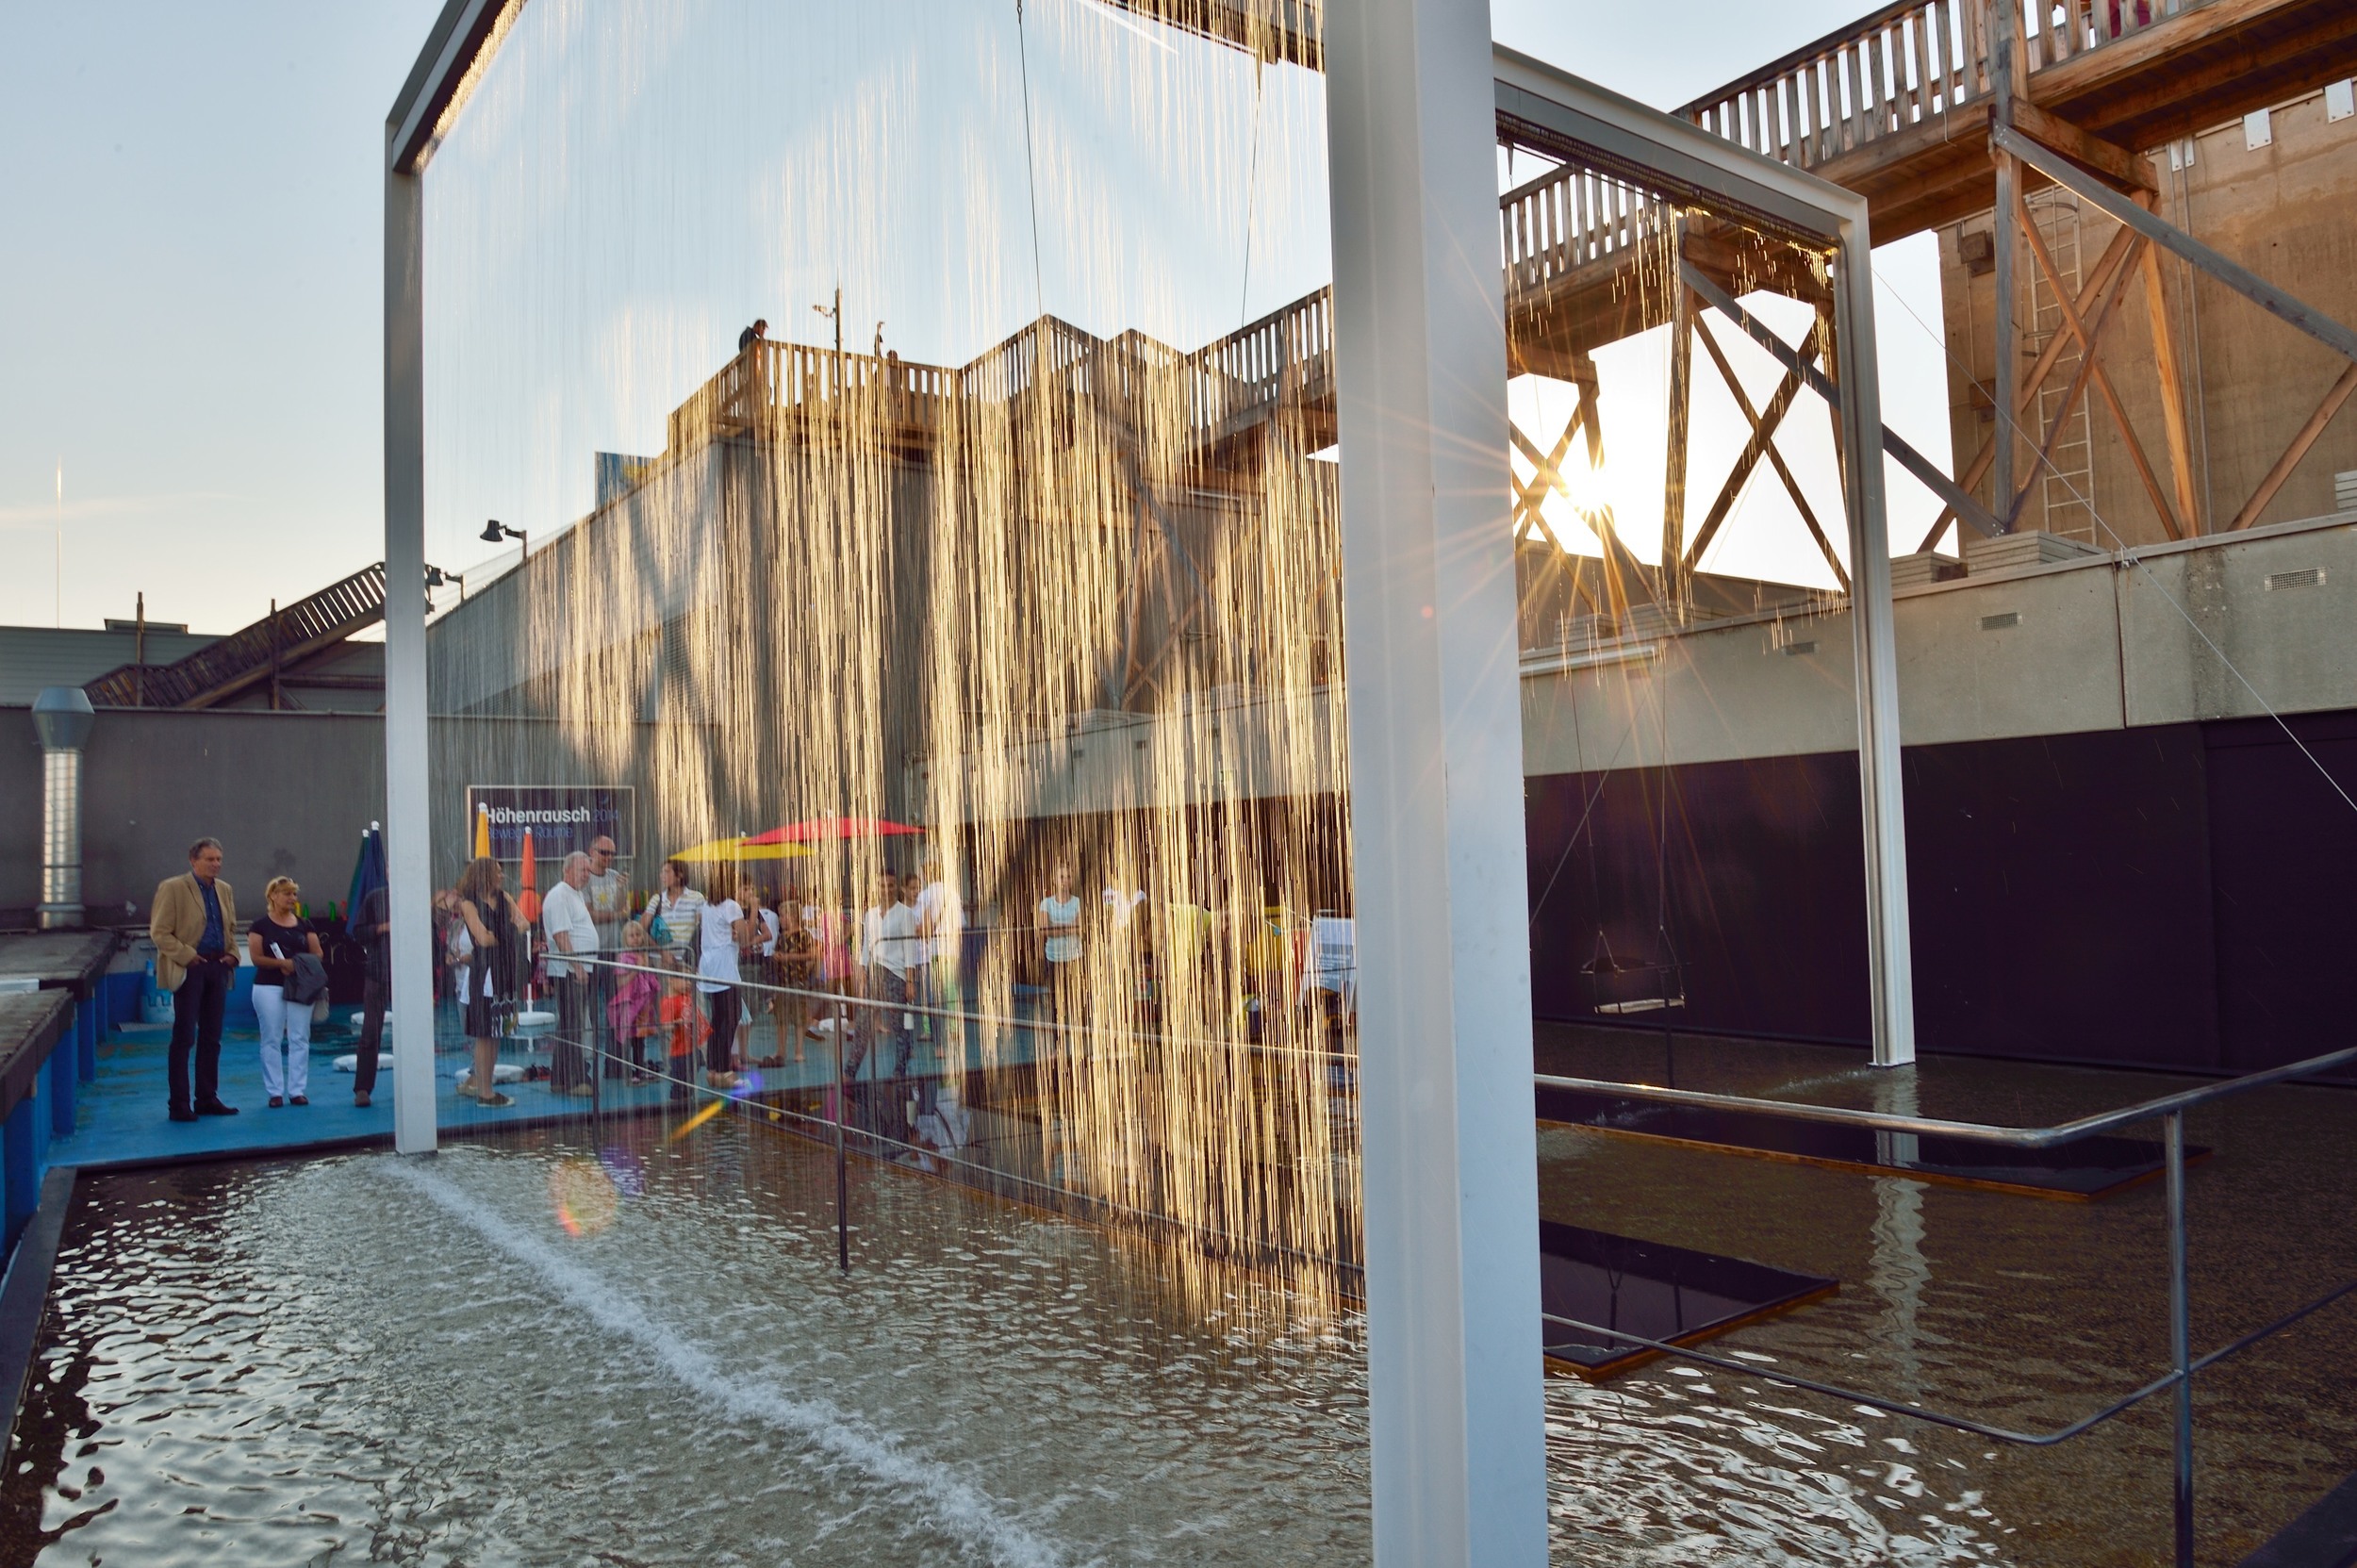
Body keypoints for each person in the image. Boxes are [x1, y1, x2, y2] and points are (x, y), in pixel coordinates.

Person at [150, 838, 240, 1122]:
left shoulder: (224, 890)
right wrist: (187, 955)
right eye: (210, 859)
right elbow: (160, 932)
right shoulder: (173, 888)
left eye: (219, 859)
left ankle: (207, 1098)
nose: (216, 864)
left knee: (212, 1037)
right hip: (190, 968)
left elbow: (231, 927)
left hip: (218, 966)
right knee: (185, 1036)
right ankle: (178, 1104)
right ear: (193, 860)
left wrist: (234, 955)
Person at [849, 868, 922, 1135]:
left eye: (890, 885)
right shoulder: (870, 914)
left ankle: (899, 1069)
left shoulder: (905, 913)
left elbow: (909, 948)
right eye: (882, 885)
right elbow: (867, 945)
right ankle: (851, 1067)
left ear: (896, 888)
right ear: (876, 887)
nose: (886, 889)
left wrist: (911, 980)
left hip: (897, 973)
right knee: (865, 1022)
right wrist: (861, 975)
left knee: (899, 1026)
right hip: (876, 971)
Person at [454, 855, 526, 1109]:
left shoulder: (504, 898)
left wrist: (500, 934)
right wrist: (508, 933)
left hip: (505, 970)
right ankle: (483, 1090)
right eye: (497, 872)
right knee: (484, 1032)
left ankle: (488, 1085)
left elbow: (524, 923)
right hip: (485, 973)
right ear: (484, 875)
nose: (502, 875)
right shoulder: (468, 904)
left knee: (497, 1032)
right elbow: (482, 939)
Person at [248, 876, 321, 1108]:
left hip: (300, 986)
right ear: (273, 896)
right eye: (287, 893)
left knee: (300, 1036)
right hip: (268, 986)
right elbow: (256, 958)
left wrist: (296, 963)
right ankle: (274, 1091)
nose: (292, 898)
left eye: (294, 894)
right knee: (271, 1037)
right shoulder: (260, 925)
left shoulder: (305, 924)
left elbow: (317, 953)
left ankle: (297, 1090)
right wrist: (280, 964)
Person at [540, 850, 599, 1098]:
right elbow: (561, 936)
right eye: (582, 870)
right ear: (567, 869)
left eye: (588, 870)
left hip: (579, 968)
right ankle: (576, 1079)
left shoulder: (575, 894)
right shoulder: (559, 895)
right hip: (569, 971)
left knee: (569, 1024)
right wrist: (577, 967)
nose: (586, 875)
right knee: (573, 1024)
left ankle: (560, 1078)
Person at [695, 867, 757, 1091]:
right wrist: (754, 910)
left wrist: (733, 934)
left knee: (718, 1019)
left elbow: (724, 934)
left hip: (709, 968)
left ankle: (713, 1070)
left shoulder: (708, 905)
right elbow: (746, 940)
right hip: (725, 970)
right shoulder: (732, 905)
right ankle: (724, 1071)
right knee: (731, 1018)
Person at [584, 834, 632, 1080]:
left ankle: (615, 1065)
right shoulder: (584, 879)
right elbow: (589, 915)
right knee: (590, 1010)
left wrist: (622, 890)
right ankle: (586, 1065)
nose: (608, 858)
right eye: (604, 853)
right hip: (592, 953)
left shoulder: (615, 878)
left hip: (614, 952)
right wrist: (614, 914)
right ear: (592, 851)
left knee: (618, 1008)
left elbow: (624, 910)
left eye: (612, 853)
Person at [915, 855, 964, 1050]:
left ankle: (929, 1029)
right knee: (950, 987)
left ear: (927, 873)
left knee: (930, 991)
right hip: (951, 947)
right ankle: (953, 1027)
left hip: (932, 949)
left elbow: (921, 924)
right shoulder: (953, 893)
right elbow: (960, 923)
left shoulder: (925, 895)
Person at [352, 880, 389, 1108]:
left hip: (411, 975)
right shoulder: (375, 897)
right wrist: (382, 928)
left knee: (417, 1033)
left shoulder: (419, 897)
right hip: (378, 973)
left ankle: (417, 1083)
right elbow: (358, 933)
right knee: (370, 1033)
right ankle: (363, 1088)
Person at [636, 859, 705, 968]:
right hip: (659, 960)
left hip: (686, 960)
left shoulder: (697, 898)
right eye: (661, 872)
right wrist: (662, 952)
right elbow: (639, 928)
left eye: (666, 872)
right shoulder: (657, 899)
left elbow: (702, 928)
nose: (661, 876)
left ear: (680, 875)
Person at [1037, 858, 1085, 1015]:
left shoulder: (1077, 902)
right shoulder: (1046, 903)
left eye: (1068, 877)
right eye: (1062, 877)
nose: (1065, 880)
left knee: (1075, 999)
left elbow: (1079, 927)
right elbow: (1044, 929)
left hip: (1074, 957)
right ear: (1055, 880)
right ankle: (1057, 1034)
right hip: (1053, 957)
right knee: (1055, 1001)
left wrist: (1057, 927)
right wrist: (1067, 929)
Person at [657, 967, 709, 1105]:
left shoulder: (685, 996)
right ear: (670, 980)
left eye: (689, 980)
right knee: (679, 1086)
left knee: (689, 1083)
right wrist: (676, 1023)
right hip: (679, 1053)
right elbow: (665, 1026)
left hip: (691, 1049)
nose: (688, 983)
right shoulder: (669, 1002)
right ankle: (678, 1108)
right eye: (684, 979)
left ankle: (686, 1104)